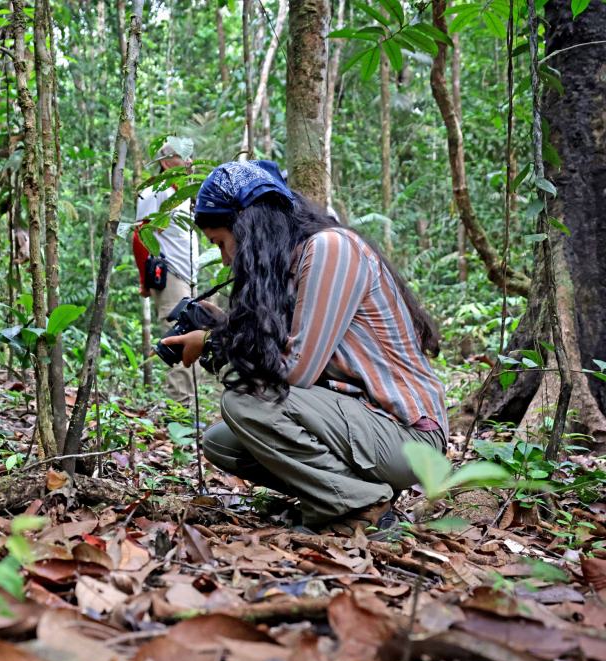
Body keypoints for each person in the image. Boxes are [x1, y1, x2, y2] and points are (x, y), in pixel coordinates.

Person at [161, 160, 447, 536]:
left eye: (221, 243)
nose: (227, 259)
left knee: (245, 403)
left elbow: (296, 371)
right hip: (364, 424)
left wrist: (216, 341)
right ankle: (350, 499)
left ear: (249, 229)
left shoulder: (331, 249)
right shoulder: (293, 266)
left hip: (408, 435)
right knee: (222, 442)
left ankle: (364, 506)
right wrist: (224, 327)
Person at [133, 140, 199, 406]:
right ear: (165, 162)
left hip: (188, 276)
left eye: (190, 156)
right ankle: (180, 412)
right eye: (183, 157)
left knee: (194, 338)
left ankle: (189, 408)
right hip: (170, 274)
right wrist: (144, 281)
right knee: (178, 338)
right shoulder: (153, 190)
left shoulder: (181, 192)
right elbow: (141, 234)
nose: (189, 162)